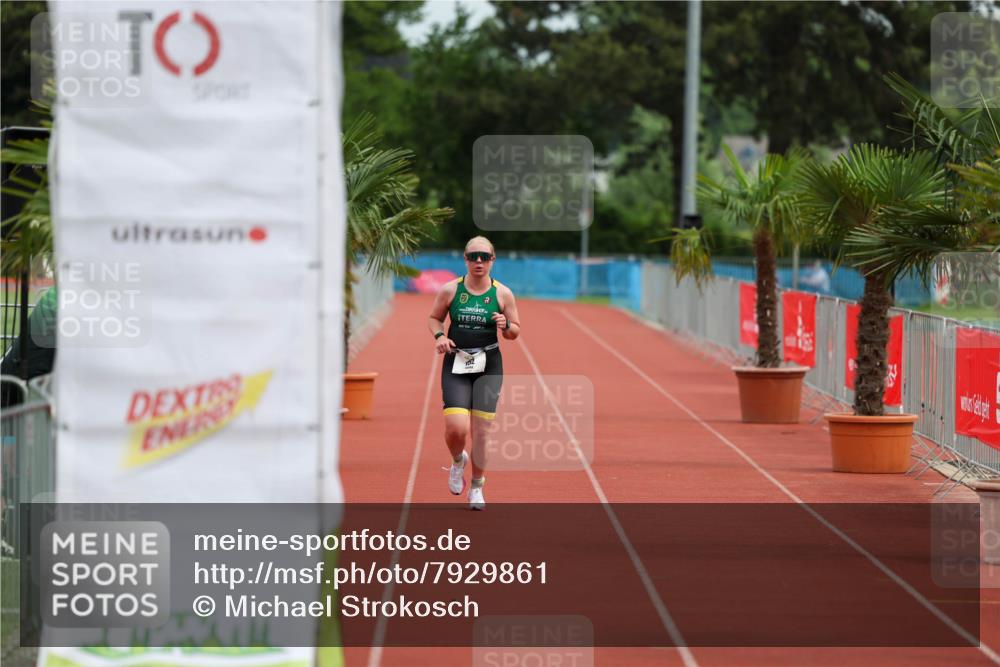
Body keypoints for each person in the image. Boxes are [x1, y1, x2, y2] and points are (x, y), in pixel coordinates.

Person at [427, 236, 520, 510]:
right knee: (456, 428)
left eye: (484, 256)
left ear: (492, 259)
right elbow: (434, 318)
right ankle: (458, 461)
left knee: (481, 433)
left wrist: (505, 326)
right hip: (456, 363)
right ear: (465, 259)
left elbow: (515, 331)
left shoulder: (502, 293)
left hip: (489, 365)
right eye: (473, 256)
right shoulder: (450, 290)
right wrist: (438, 336)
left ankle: (477, 486)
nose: (478, 261)